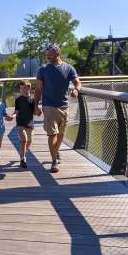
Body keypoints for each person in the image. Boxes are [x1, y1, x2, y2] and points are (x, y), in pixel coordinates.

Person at [34, 44, 81, 173]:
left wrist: (76, 89)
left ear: (57, 53)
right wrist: (35, 106)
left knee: (61, 134)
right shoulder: (43, 69)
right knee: (52, 133)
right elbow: (38, 89)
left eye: (50, 54)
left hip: (64, 105)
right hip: (48, 105)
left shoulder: (68, 68)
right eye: (46, 55)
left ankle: (56, 151)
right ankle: (54, 160)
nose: (47, 57)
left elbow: (77, 82)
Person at [12, 80, 36, 168]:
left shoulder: (33, 99)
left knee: (29, 141)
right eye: (20, 88)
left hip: (30, 123)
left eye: (24, 88)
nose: (22, 90)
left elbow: (35, 111)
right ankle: (23, 159)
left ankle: (22, 153)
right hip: (20, 123)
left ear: (29, 88)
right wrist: (12, 116)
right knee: (23, 140)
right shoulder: (18, 99)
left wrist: (39, 111)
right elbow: (16, 111)